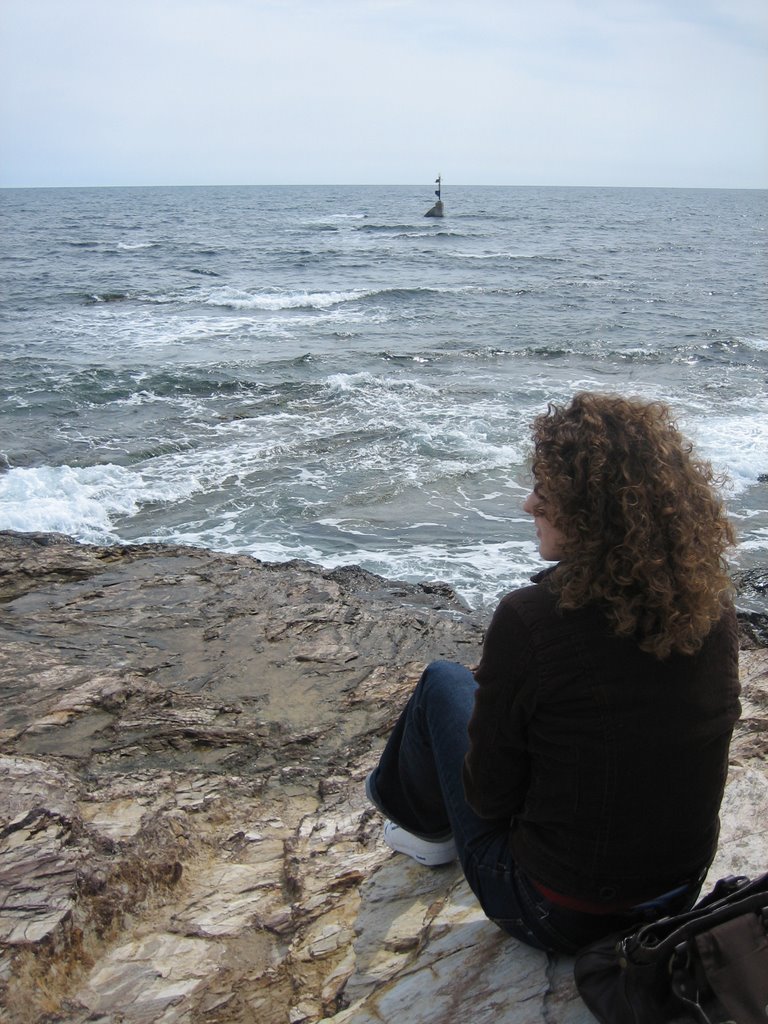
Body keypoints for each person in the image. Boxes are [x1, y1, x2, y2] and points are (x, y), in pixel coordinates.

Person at [365, 392, 741, 953]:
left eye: (546, 491)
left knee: (443, 682)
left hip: (558, 913)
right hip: (677, 893)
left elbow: (489, 797)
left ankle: (424, 831)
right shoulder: (709, 603)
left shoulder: (532, 618)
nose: (528, 505)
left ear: (592, 508)